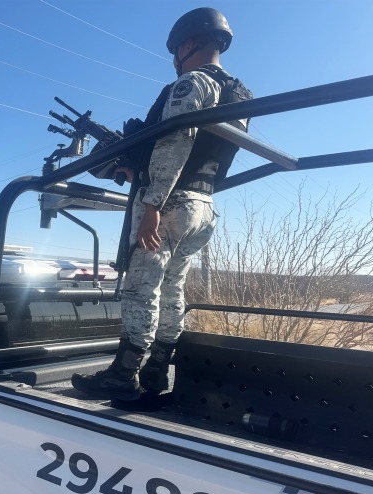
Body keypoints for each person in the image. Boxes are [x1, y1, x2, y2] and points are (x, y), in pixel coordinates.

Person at [72, 7, 251, 401]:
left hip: (170, 203)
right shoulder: (237, 92)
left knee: (141, 288)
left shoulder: (192, 83)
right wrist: (141, 172)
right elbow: (207, 153)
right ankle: (157, 372)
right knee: (172, 289)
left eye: (174, 51)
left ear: (188, 44)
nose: (174, 61)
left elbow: (177, 140)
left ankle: (123, 374)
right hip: (203, 206)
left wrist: (152, 201)